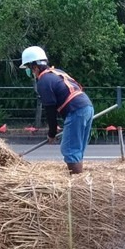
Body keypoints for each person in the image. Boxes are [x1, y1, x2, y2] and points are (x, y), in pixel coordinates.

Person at [20, 46, 95, 174]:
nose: (30, 72)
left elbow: (50, 110)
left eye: (29, 68)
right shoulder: (57, 72)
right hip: (86, 106)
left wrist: (52, 133)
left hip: (76, 110)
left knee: (69, 149)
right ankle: (80, 178)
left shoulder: (43, 81)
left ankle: (77, 184)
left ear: (35, 67)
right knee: (77, 148)